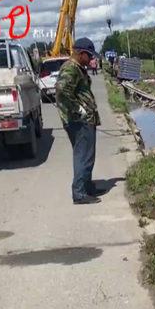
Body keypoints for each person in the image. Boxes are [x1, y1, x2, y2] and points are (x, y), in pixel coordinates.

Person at [55, 37, 104, 205]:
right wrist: (78, 109)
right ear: (80, 54)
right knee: (82, 155)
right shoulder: (71, 68)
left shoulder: (78, 68)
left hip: (85, 120)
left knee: (88, 155)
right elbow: (62, 90)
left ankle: (88, 187)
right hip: (79, 120)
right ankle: (79, 193)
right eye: (89, 56)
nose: (91, 59)